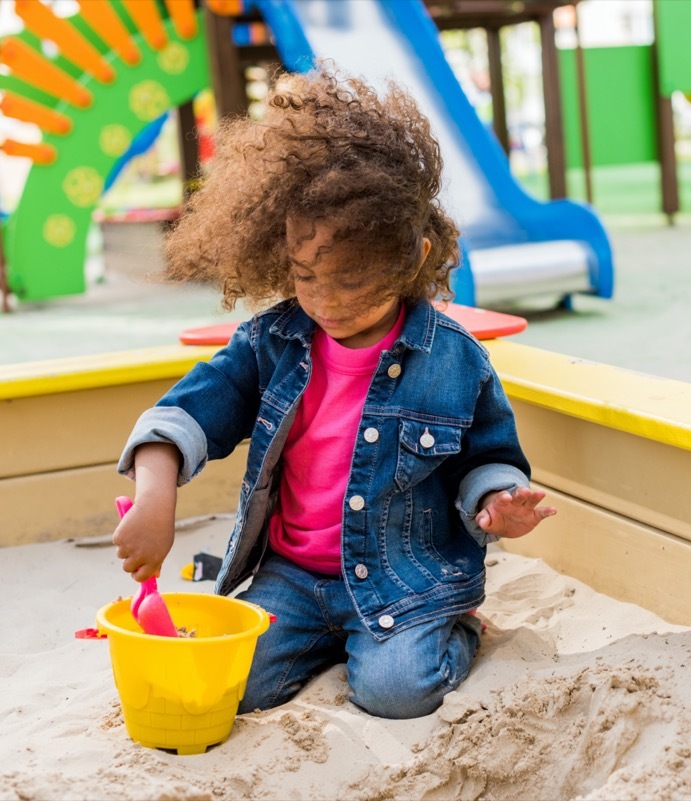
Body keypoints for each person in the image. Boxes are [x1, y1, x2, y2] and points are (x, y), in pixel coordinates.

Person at [111, 67, 556, 719]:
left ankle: (453, 628)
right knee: (236, 686)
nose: (327, 300)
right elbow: (183, 416)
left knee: (395, 693)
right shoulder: (272, 343)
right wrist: (155, 496)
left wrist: (497, 500)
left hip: (405, 581)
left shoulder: (453, 358)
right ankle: (333, 639)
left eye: (353, 280)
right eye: (306, 276)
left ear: (414, 254)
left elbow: (487, 456)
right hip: (292, 579)